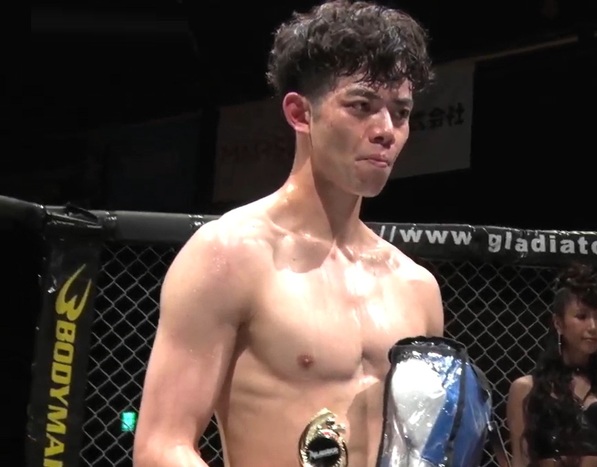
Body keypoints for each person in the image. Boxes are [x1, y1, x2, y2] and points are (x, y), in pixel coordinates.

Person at [133, 2, 442, 466]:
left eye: (400, 112)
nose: (385, 130)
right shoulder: (230, 254)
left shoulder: (418, 288)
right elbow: (161, 447)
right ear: (300, 113)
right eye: (361, 106)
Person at [506, 263, 597, 467]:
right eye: (582, 316)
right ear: (558, 323)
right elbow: (520, 461)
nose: (593, 327)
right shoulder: (526, 390)